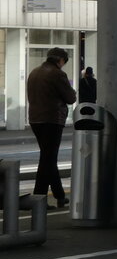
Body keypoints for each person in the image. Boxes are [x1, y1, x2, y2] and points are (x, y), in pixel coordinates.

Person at [26, 47, 77, 209]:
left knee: (49, 158)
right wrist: (73, 92)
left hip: (35, 119)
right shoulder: (57, 74)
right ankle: (38, 200)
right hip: (52, 120)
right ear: (60, 60)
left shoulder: (34, 72)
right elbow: (70, 98)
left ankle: (60, 195)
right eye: (64, 62)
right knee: (47, 159)